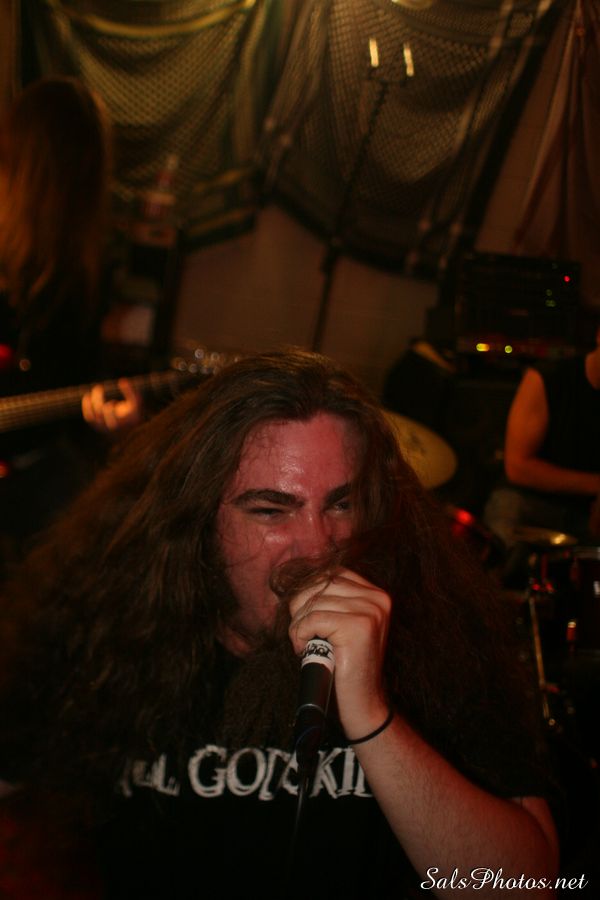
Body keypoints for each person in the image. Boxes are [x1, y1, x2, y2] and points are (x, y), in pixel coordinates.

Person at [0, 349, 564, 898]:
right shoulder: (109, 634)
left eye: (340, 504)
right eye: (271, 510)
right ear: (197, 520)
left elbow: (527, 886)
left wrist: (373, 717)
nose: (318, 546)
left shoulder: (436, 639)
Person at [0, 76, 114, 569]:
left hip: (36, 460)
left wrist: (111, 420)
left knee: (91, 543)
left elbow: (77, 380)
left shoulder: (87, 272)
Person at [483, 324, 600, 549]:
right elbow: (517, 467)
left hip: (587, 511)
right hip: (529, 500)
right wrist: (595, 485)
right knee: (506, 515)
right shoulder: (549, 377)